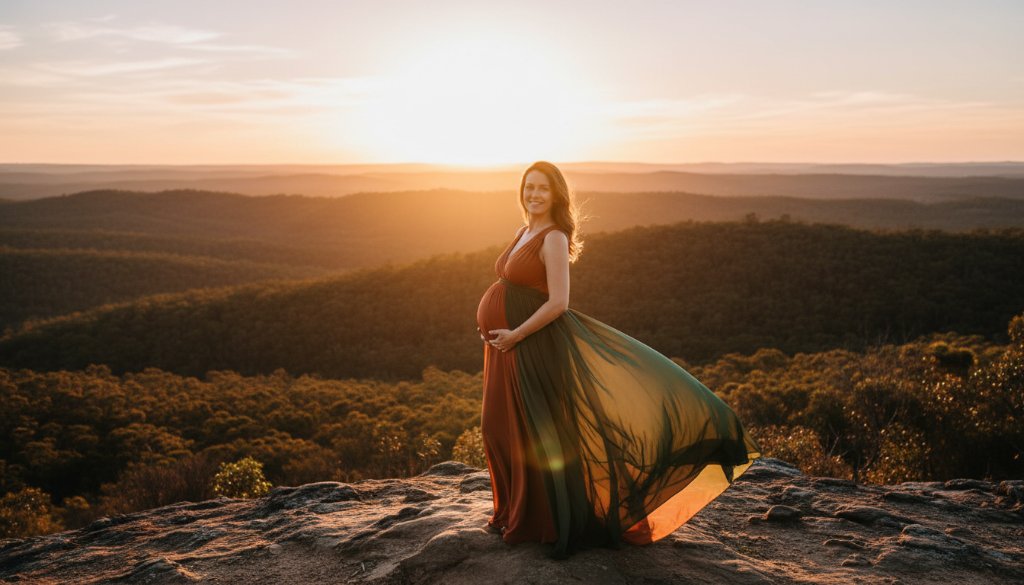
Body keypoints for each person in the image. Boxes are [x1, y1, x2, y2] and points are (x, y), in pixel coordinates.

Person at [475, 161, 762, 560]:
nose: (534, 194)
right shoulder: (524, 230)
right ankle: (513, 511)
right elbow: (510, 287)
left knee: (533, 433)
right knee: (499, 427)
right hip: (505, 347)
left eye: (543, 188)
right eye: (529, 187)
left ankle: (541, 521)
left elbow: (559, 302)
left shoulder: (554, 237)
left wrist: (516, 333)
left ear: (556, 195)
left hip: (532, 347)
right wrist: (492, 326)